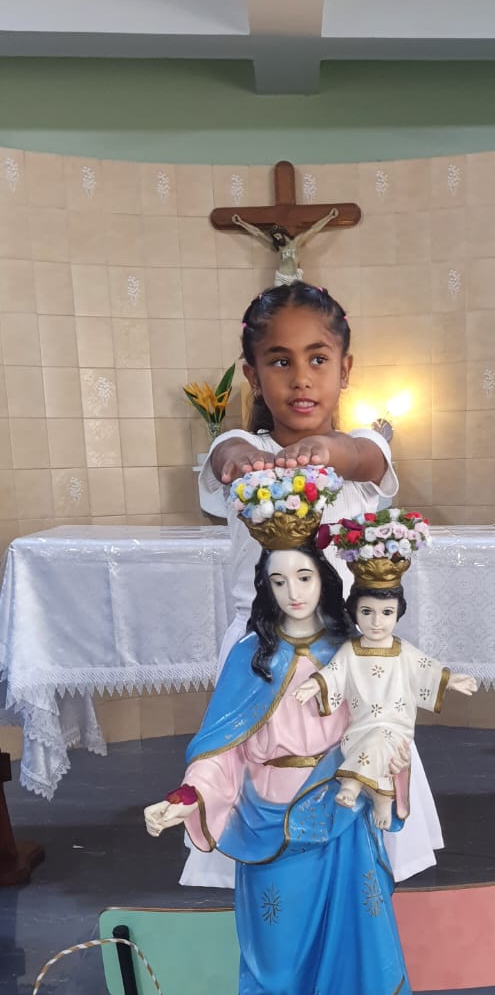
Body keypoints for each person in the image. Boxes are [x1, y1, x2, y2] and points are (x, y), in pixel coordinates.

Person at [144, 509, 413, 995]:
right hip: (268, 832)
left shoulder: (351, 651)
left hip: (340, 822)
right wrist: (188, 795)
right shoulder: (251, 659)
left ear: (325, 578)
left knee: (341, 962)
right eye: (278, 580)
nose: (294, 592)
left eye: (305, 577)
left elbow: (387, 723)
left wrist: (381, 765)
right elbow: (221, 751)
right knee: (274, 974)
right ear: (264, 587)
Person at [183, 281, 443, 895]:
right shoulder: (242, 452)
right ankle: (268, 888)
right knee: (261, 777)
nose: (301, 378)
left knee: (357, 777)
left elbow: (361, 456)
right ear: (253, 375)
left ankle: (357, 895)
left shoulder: (362, 453)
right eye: (280, 362)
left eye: (318, 359)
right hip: (263, 657)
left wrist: (327, 451)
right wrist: (243, 461)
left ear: (345, 370)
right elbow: (226, 452)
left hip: (345, 654)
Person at [296, 566, 477, 829]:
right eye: (367, 612)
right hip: (360, 727)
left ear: (398, 613)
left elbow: (427, 669)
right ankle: (383, 795)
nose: (376, 622)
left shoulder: (403, 651)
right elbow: (333, 673)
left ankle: (352, 783)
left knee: (382, 739)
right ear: (355, 612)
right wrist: (315, 684)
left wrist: (449, 680)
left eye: (387, 613)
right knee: (374, 742)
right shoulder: (350, 651)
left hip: (395, 726)